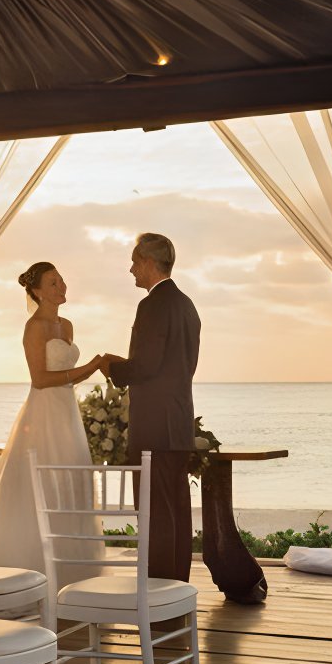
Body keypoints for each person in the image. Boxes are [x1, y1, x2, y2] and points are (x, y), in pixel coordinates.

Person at [0, 262, 106, 584]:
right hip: (43, 414)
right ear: (37, 291)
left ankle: (72, 568)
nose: (61, 286)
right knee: (44, 485)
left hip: (68, 413)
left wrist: (89, 372)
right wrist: (93, 365)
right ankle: (32, 571)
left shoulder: (67, 325)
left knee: (73, 482)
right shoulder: (34, 327)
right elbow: (40, 379)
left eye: (62, 280)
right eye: (53, 283)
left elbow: (65, 377)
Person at [100, 233, 201, 582]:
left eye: (134, 261)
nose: (131, 269)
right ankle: (177, 588)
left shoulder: (152, 305)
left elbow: (145, 367)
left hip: (154, 429)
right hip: (178, 425)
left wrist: (112, 367)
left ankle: (158, 592)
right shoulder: (187, 305)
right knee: (176, 513)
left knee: (155, 514)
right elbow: (180, 367)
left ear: (148, 261)